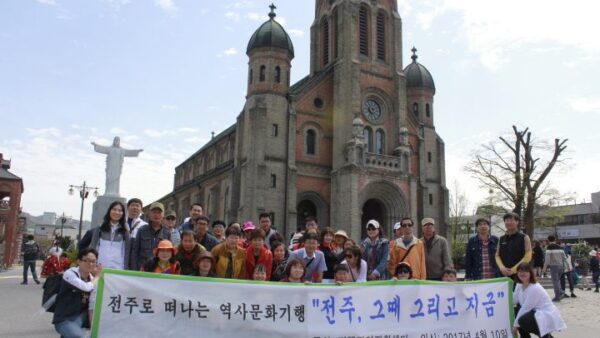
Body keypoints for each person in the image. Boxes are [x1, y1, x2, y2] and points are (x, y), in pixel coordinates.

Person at [52, 248, 102, 338]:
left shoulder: (92, 279)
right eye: (86, 260)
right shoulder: (70, 274)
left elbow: (92, 306)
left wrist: (93, 328)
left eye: (93, 261)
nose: (90, 264)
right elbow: (85, 287)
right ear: (78, 261)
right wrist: (98, 276)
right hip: (64, 319)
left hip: (81, 318)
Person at [512, 263, 566, 338]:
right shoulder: (519, 284)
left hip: (544, 313)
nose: (522, 273)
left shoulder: (535, 288)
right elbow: (514, 300)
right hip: (533, 312)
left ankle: (545, 335)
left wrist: (515, 326)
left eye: (525, 271)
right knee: (516, 311)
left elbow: (526, 308)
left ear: (530, 273)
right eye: (520, 271)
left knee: (522, 319)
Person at [79, 201, 131, 270]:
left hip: (118, 268)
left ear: (123, 213)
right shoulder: (100, 228)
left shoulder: (125, 230)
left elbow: (127, 251)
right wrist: (92, 265)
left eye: (120, 210)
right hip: (99, 267)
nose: (116, 212)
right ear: (109, 211)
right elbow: (93, 247)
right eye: (114, 209)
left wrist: (125, 267)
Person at [131, 202, 171, 271]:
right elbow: (135, 253)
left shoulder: (167, 233)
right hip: (142, 270)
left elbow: (169, 254)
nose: (156, 215)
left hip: (160, 271)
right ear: (149, 214)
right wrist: (134, 270)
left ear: (163, 215)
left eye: (159, 212)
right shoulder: (141, 230)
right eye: (154, 212)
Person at [495, 212, 532, 282]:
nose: (509, 222)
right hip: (504, 275)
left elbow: (528, 255)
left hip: (521, 274)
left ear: (517, 222)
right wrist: (502, 268)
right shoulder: (501, 238)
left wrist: (514, 269)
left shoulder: (524, 237)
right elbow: (497, 255)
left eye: (511, 220)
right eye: (507, 220)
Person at [543, 235, 567, 302]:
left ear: (548, 240)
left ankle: (557, 296)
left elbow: (547, 259)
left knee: (555, 281)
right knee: (558, 280)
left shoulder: (549, 247)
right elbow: (564, 258)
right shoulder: (560, 247)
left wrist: (544, 267)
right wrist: (566, 266)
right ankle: (561, 292)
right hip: (561, 266)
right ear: (555, 239)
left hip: (554, 266)